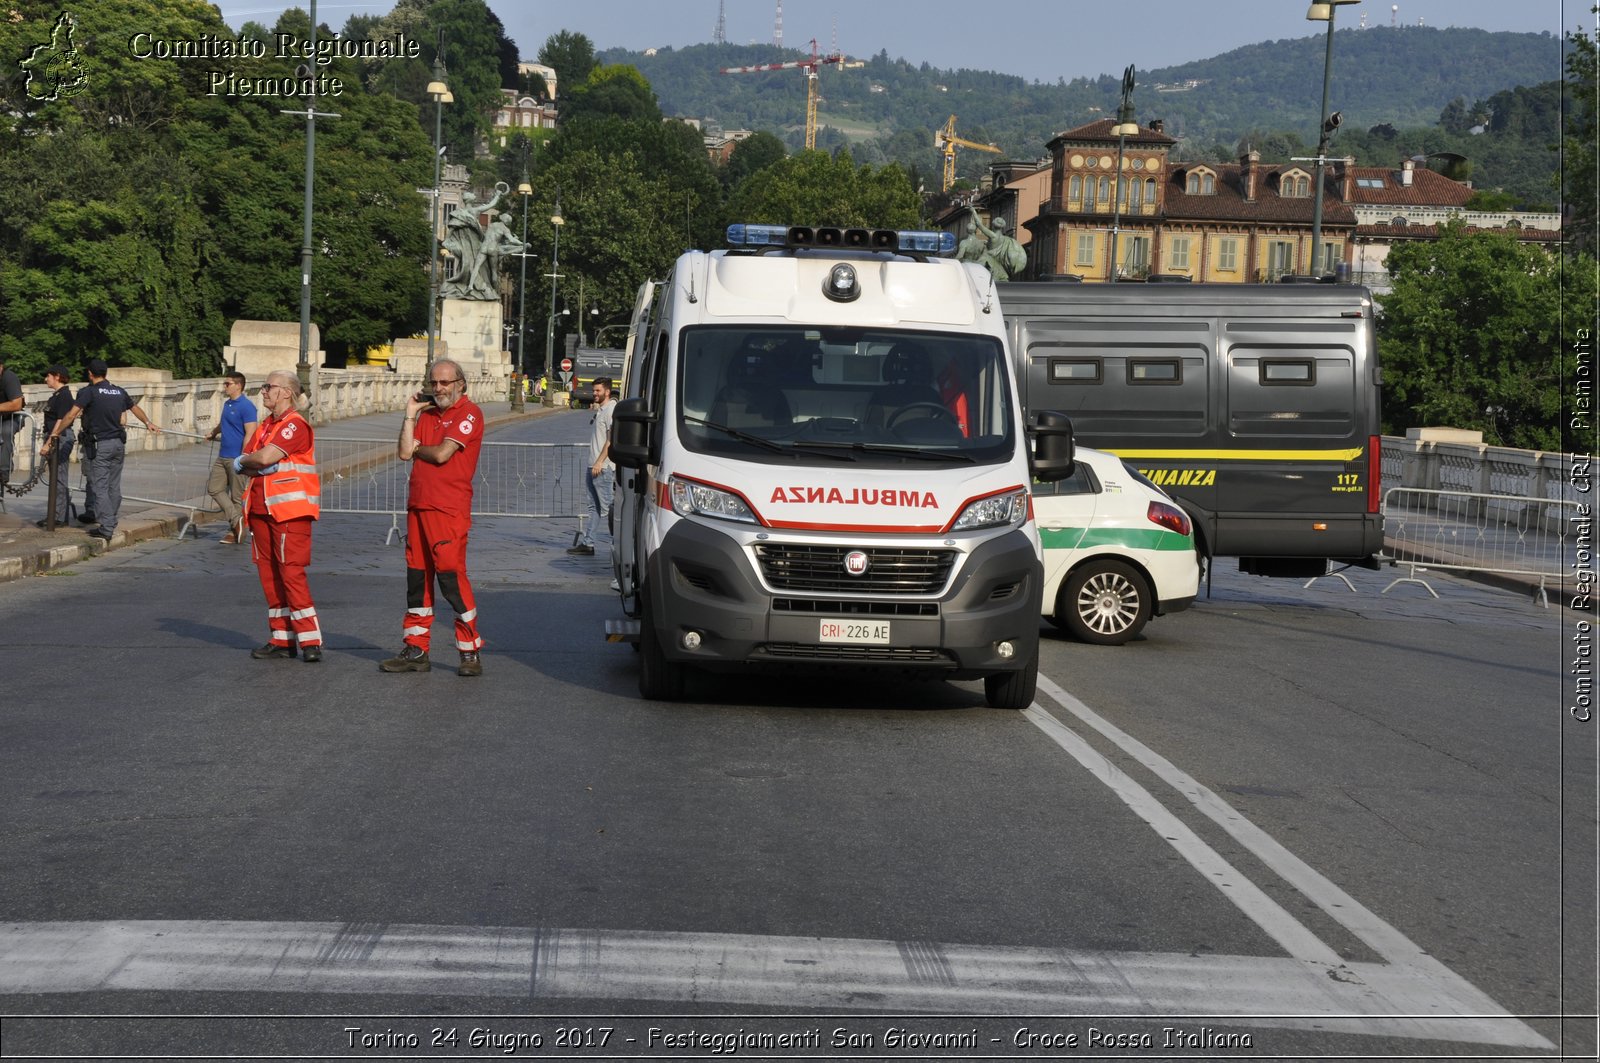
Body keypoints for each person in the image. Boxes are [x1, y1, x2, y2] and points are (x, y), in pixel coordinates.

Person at [381, 359, 486, 677]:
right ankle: (416, 649)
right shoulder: (425, 415)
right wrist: (409, 415)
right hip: (419, 506)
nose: (438, 388)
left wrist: (416, 449)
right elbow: (402, 451)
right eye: (434, 383)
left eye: (445, 382)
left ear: (460, 384)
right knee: (417, 580)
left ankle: (469, 652)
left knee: (451, 578)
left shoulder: (470, 413)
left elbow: (441, 454)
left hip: (448, 509)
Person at [236, 370, 322, 663]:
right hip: (261, 510)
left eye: (268, 387)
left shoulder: (294, 425)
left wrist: (253, 461)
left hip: (289, 512)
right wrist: (252, 462)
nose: (263, 391)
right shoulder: (266, 426)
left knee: (291, 575)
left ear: (286, 392)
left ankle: (310, 641)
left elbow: (260, 458)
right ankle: (281, 639)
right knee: (269, 577)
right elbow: (248, 459)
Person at [43, 358, 161, 542]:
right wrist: (148, 423)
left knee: (100, 486)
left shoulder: (90, 392)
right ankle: (111, 520)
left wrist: (56, 432)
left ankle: (106, 527)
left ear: (90, 374)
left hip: (101, 445)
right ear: (105, 373)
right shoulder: (118, 391)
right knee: (114, 485)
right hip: (118, 444)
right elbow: (134, 408)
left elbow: (71, 415)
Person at [206, 371, 258, 545]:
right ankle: (237, 521)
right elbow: (224, 423)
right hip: (222, 455)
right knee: (214, 488)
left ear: (238, 385)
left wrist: (243, 457)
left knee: (237, 497)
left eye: (227, 384)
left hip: (236, 457)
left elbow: (250, 432)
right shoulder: (228, 404)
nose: (225, 387)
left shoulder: (247, 406)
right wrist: (214, 432)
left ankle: (234, 532)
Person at [568, 376, 616, 559]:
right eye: (594, 390)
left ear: (607, 391)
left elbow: (611, 440)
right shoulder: (602, 409)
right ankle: (588, 543)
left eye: (598, 391)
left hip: (602, 468)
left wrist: (599, 462)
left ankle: (618, 545)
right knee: (593, 507)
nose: (594, 394)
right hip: (593, 466)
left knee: (609, 509)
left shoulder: (611, 409)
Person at [35, 366, 76, 528]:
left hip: (60, 438)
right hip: (57, 437)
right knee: (56, 478)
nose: (46, 379)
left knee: (59, 478)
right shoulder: (58, 395)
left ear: (57, 377)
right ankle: (56, 514)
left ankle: (57, 517)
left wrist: (49, 443)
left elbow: (61, 421)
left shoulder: (64, 395)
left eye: (48, 376)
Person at [969, 208, 1026, 281]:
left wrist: (973, 211)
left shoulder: (993, 236)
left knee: (973, 268)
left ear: (993, 225)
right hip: (997, 263)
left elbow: (979, 224)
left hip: (989, 260)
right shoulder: (1004, 238)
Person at [0, 355, 22, 490]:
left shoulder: (9, 378)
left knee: (6, 432)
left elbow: (16, 404)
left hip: (12, 417)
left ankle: (4, 470)